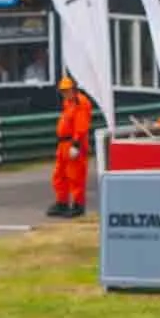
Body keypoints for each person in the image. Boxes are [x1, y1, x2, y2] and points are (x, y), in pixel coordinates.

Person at [48, 74, 93, 218]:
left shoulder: (81, 103)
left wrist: (76, 144)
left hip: (73, 144)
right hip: (63, 144)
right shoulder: (68, 103)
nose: (65, 93)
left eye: (67, 90)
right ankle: (62, 202)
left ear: (74, 89)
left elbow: (81, 127)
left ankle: (78, 205)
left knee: (75, 176)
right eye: (63, 91)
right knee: (59, 175)